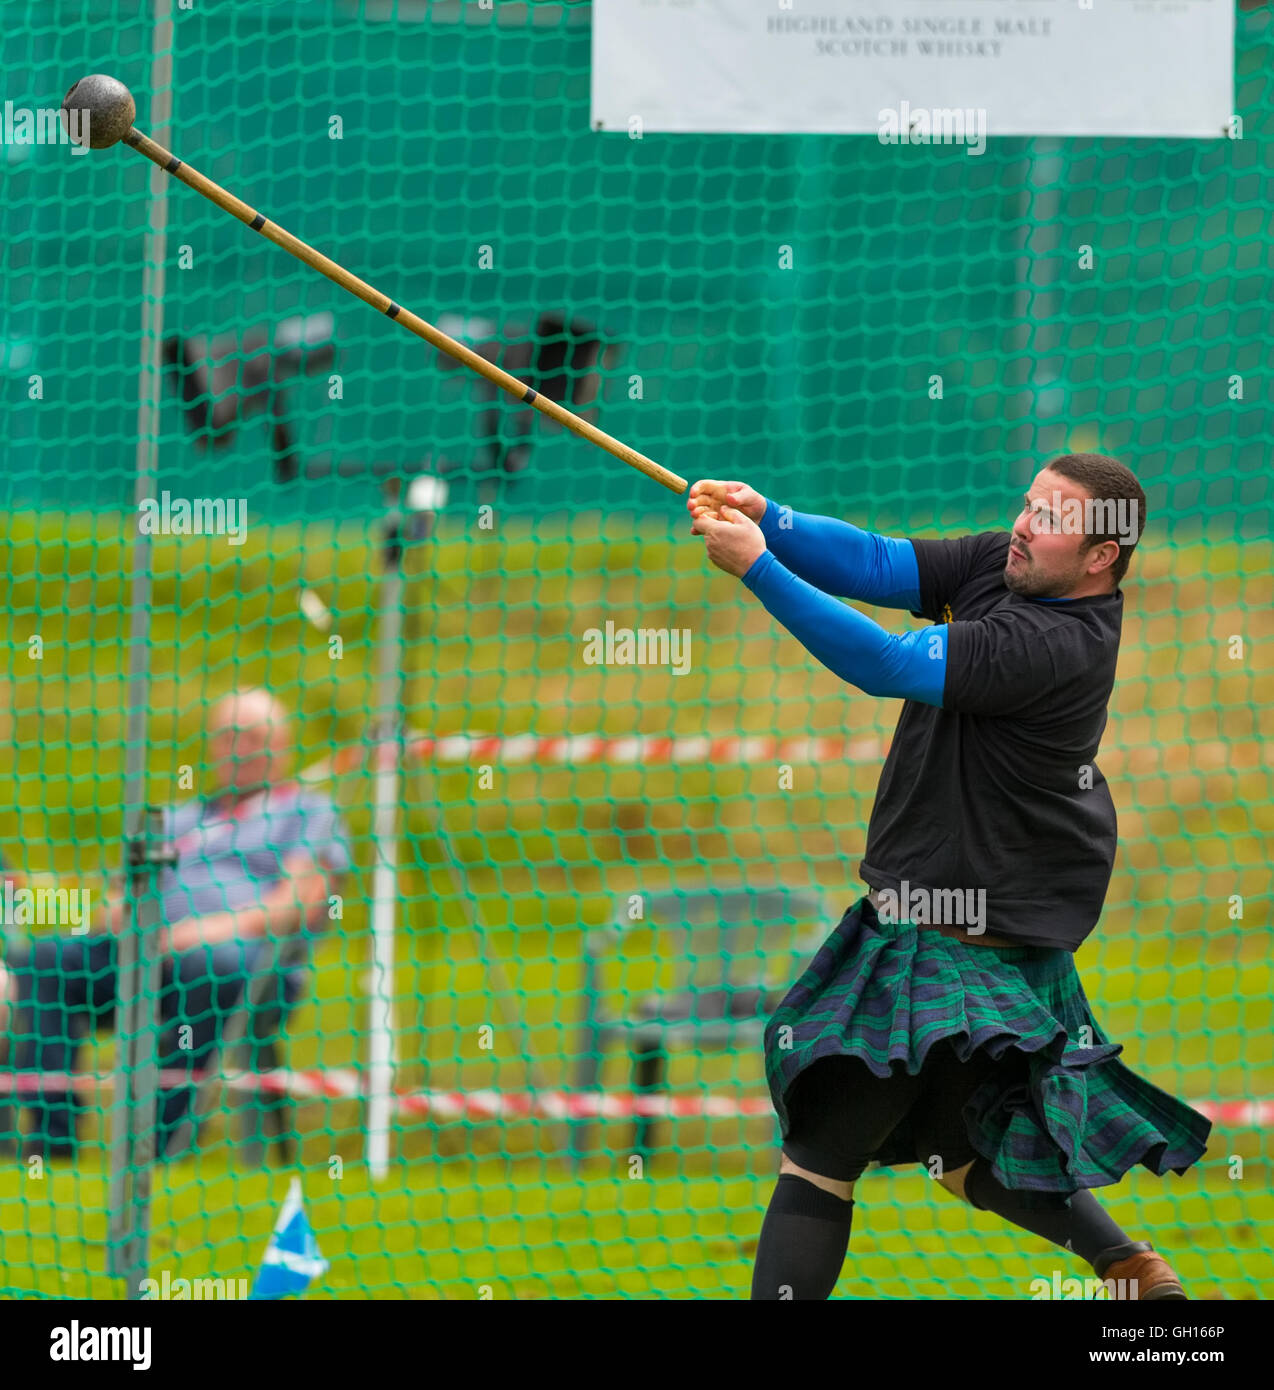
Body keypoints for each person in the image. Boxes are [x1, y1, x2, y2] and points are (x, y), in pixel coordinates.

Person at [688, 454, 1211, 1301]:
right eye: (1030, 504)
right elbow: (876, 564)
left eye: (1051, 519)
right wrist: (771, 519)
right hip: (974, 933)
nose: (1024, 525)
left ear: (1101, 556)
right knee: (959, 1149)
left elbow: (887, 664)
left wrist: (758, 569)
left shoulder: (1050, 643)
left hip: (941, 940)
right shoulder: (1004, 565)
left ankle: (1129, 1270)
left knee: (819, 1159)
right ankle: (1133, 1272)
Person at [1, 688, 350, 1159]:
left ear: (282, 745)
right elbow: (120, 897)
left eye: (252, 737)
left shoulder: (309, 813)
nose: (239, 749)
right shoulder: (177, 819)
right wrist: (122, 916)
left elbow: (298, 905)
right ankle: (54, 1140)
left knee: (208, 966)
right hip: (148, 954)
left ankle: (161, 1147)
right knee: (46, 961)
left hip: (242, 965)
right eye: (228, 737)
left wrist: (200, 933)